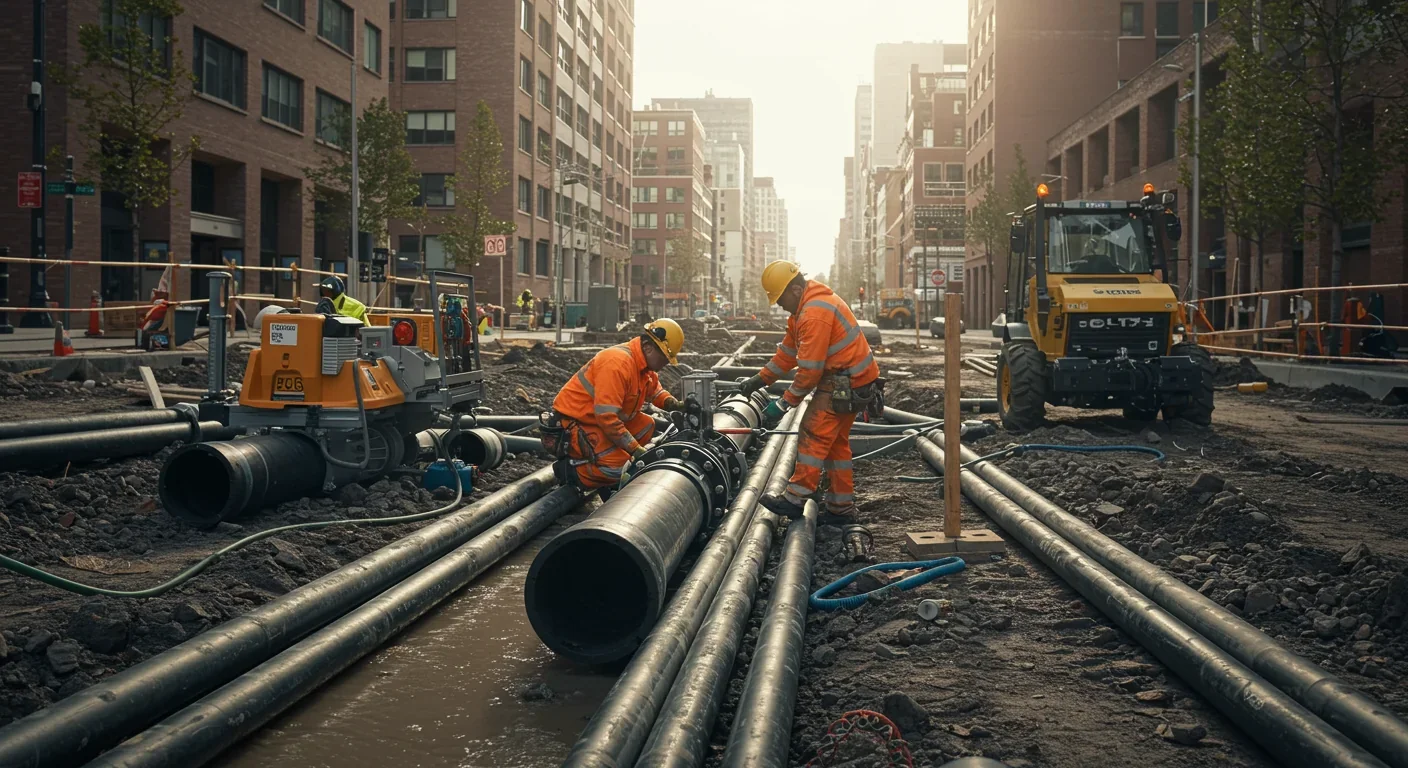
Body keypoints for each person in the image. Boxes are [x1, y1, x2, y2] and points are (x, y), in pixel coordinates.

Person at [738, 260, 880, 524]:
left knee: (813, 432)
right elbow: (787, 354)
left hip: (846, 382)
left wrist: (783, 404)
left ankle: (795, 498)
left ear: (794, 290)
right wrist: (759, 379)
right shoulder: (803, 309)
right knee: (835, 444)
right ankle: (841, 508)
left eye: (780, 299)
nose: (779, 306)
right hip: (851, 381)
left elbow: (810, 372)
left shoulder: (814, 313)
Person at [548, 319, 685, 490]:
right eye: (665, 358)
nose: (665, 364)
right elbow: (607, 418)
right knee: (619, 468)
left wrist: (673, 404)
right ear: (649, 348)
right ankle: (572, 472)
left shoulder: (643, 367)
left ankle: (608, 466)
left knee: (647, 425)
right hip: (574, 425)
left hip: (595, 421)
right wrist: (635, 450)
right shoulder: (618, 364)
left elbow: (655, 391)